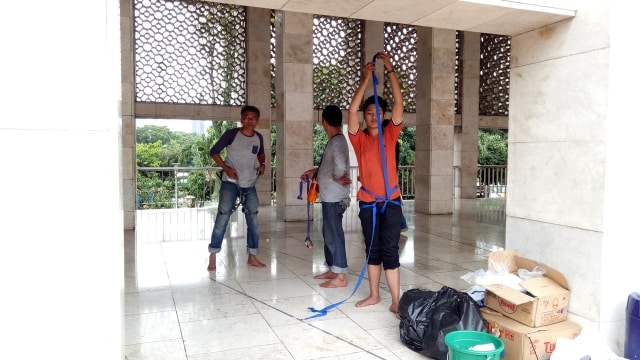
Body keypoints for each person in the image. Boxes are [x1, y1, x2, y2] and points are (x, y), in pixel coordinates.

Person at [347, 52, 404, 315]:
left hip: (391, 202)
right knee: (373, 250)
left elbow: (399, 102)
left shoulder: (391, 134)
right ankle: (373, 295)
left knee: (391, 250)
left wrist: (389, 70)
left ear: (383, 116)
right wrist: (365, 79)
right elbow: (351, 110)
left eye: (377, 112)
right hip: (369, 203)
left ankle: (395, 299)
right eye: (369, 112)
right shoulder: (359, 139)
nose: (372, 116)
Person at [207, 105, 267, 271]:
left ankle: (252, 257)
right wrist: (226, 168)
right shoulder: (231, 134)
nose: (250, 121)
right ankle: (212, 256)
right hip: (230, 184)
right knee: (222, 217)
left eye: (253, 118)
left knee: (253, 219)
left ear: (257, 120)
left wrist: (262, 164)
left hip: (250, 184)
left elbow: (261, 154)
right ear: (241, 119)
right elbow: (214, 152)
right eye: (247, 117)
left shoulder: (258, 137)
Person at [301, 105, 352, 288]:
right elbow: (331, 166)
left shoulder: (337, 141)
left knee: (334, 233)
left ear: (324, 122)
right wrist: (315, 171)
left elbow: (339, 167)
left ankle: (341, 276)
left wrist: (336, 178)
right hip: (330, 196)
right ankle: (333, 267)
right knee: (328, 232)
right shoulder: (335, 141)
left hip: (334, 197)